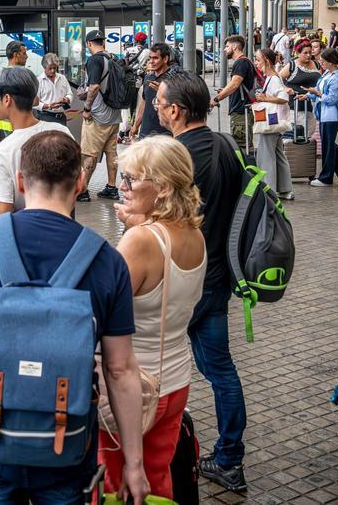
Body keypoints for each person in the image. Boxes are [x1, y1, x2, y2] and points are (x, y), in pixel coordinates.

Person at [0, 131, 151, 504]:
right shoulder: (107, 260)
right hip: (67, 444)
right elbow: (120, 370)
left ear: (20, 181)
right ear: (80, 182)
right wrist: (134, 464)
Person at [154, 72, 249, 492]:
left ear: (176, 110)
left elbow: (162, 219)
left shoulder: (175, 156)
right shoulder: (227, 144)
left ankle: (158, 454)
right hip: (218, 277)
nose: (155, 108)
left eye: (159, 102)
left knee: (150, 365)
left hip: (182, 281)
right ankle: (229, 459)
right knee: (221, 371)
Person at [102, 137, 207, 498]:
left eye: (131, 179)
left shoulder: (141, 241)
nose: (122, 186)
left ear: (162, 187)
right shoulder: (193, 233)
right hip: (175, 380)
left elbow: (103, 309)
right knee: (158, 478)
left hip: (134, 388)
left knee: (118, 485)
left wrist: (133, 230)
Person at [0, 66, 72, 215]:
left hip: (25, 227)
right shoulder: (61, 132)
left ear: (7, 99)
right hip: (64, 223)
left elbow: (4, 211)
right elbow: (79, 182)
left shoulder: (3, 152)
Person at [304, 49, 338, 187]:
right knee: (329, 145)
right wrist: (307, 95)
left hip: (332, 116)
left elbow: (331, 99)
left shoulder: (337, 79)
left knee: (328, 146)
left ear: (330, 62)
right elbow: (320, 92)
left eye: (322, 60)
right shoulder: (327, 74)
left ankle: (326, 178)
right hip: (324, 115)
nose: (320, 62)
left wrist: (317, 93)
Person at [79, 29, 123, 202]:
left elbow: (94, 86)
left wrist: (87, 108)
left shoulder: (94, 60)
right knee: (112, 153)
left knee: (89, 153)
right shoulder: (113, 58)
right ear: (103, 42)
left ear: (89, 44)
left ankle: (82, 191)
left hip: (97, 116)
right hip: (114, 114)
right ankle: (111, 188)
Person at [252, 48, 295, 199]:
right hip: (276, 123)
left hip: (270, 124)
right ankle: (285, 189)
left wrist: (265, 98)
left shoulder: (273, 79)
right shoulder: (273, 78)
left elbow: (283, 98)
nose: (256, 63)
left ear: (266, 61)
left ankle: (268, 190)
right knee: (278, 155)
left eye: (258, 59)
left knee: (266, 156)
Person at [210, 35, 255, 150]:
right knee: (245, 145)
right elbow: (238, 85)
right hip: (244, 110)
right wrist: (225, 90)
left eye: (227, 46)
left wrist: (216, 99)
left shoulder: (240, 63)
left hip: (240, 111)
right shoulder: (246, 61)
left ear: (234, 47)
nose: (224, 49)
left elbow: (235, 84)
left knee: (241, 147)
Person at [132, 43, 173, 140]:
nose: (151, 61)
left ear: (165, 59)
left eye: (155, 58)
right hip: (145, 133)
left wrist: (163, 91)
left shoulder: (173, 78)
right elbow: (144, 101)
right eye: (150, 58)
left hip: (165, 134)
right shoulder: (148, 77)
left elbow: (179, 104)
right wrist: (136, 125)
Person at [35, 52, 73, 125]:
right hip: (45, 118)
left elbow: (70, 93)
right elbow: (34, 103)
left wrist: (67, 99)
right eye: (50, 68)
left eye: (55, 68)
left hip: (61, 117)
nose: (52, 71)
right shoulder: (38, 81)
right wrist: (49, 106)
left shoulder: (62, 78)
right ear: (44, 67)